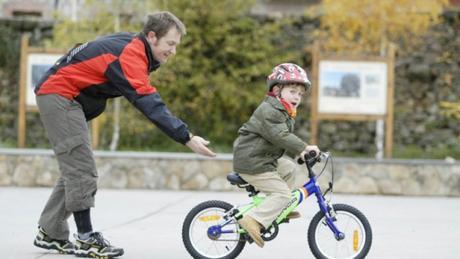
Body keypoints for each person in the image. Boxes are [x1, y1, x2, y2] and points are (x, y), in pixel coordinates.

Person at [33, 11, 216, 258]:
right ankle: (86, 238)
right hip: (60, 95)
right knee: (82, 170)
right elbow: (149, 102)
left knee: (75, 169)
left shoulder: (132, 46)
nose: (173, 51)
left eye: (176, 45)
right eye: (170, 44)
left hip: (63, 95)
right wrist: (186, 137)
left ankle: (50, 231)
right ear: (152, 36)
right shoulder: (131, 53)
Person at [232, 63, 320, 248]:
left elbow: (279, 140)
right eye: (293, 91)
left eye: (300, 94)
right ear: (277, 89)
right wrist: (304, 147)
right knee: (283, 194)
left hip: (261, 157)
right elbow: (280, 136)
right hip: (253, 162)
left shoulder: (283, 112)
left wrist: (300, 154)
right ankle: (253, 220)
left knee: (289, 168)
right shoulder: (270, 110)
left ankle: (278, 209)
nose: (297, 96)